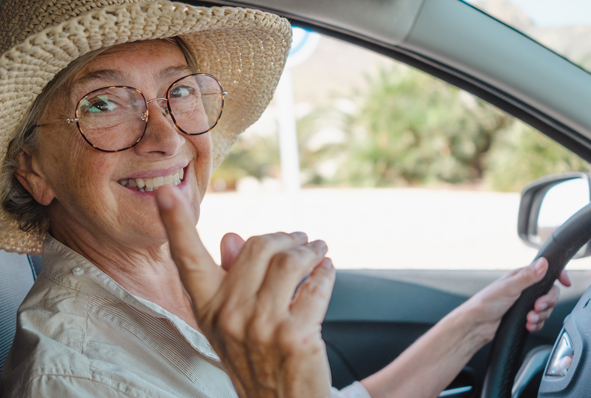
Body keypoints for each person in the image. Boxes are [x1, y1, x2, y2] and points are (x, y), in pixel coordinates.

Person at [0, 1, 570, 397]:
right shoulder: (74, 380)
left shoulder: (182, 293)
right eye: (103, 103)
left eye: (180, 91)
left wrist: (476, 321)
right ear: (32, 170)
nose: (168, 137)